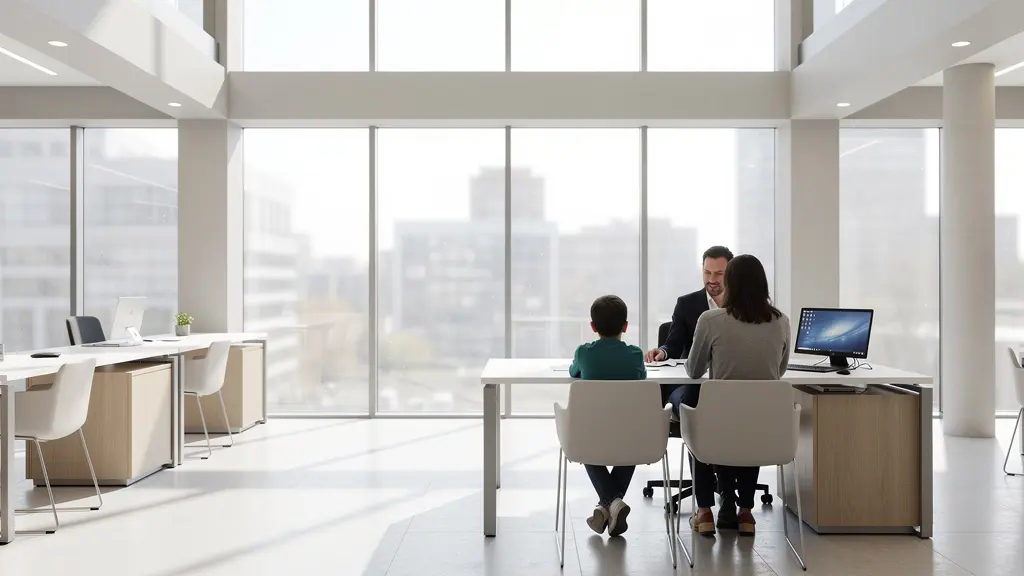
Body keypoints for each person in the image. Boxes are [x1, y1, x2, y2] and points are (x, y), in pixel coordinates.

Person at [681, 254, 791, 538]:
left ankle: (704, 511)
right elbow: (778, 371)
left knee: (702, 419)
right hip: (762, 426)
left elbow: (693, 371)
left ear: (729, 282)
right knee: (747, 421)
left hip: (718, 425)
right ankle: (745, 513)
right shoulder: (781, 322)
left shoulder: (711, 319)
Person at [643, 245, 739, 527]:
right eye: (707, 272)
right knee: (697, 404)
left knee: (728, 409)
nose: (712, 279)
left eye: (719, 273)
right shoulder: (687, 304)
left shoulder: (744, 306)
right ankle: (706, 504)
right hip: (691, 388)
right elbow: (673, 343)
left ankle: (728, 498)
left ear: (730, 273)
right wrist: (662, 351)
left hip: (729, 389)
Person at [569, 295, 646, 537]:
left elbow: (574, 372)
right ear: (625, 326)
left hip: (592, 435)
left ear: (593, 327)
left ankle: (608, 505)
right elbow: (641, 378)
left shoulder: (584, 353)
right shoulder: (634, 354)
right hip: (630, 434)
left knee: (585, 443)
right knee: (633, 445)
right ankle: (612, 504)